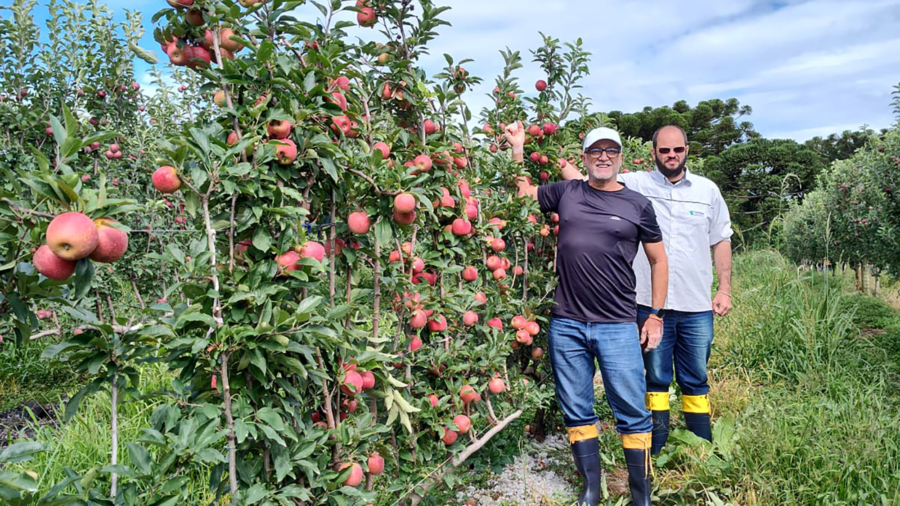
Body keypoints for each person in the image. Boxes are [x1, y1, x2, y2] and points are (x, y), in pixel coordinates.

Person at [505, 121, 668, 506]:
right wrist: (518, 148)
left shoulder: (637, 205)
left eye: (611, 151)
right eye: (596, 151)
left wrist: (655, 314)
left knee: (631, 409)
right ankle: (591, 489)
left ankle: (641, 495)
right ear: (585, 158)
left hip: (617, 324)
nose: (603, 157)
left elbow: (659, 260)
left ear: (620, 158)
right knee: (577, 407)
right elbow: (524, 197)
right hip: (567, 322)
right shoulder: (568, 191)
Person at [561, 124, 733, 454]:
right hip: (648, 304)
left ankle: (701, 447)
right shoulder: (635, 183)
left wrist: (724, 289)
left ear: (687, 150)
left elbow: (720, 240)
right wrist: (553, 156)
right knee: (654, 376)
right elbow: (588, 185)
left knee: (696, 375)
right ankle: (658, 447)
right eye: (664, 150)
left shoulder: (707, 191)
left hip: (696, 303)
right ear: (653, 152)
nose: (671, 155)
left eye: (678, 150)